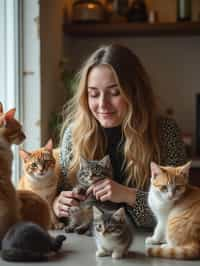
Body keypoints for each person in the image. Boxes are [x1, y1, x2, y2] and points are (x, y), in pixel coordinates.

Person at [52, 44, 186, 229]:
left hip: (149, 249)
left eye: (115, 93)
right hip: (90, 248)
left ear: (135, 93)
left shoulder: (164, 133)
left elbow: (180, 213)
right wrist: (58, 205)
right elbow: (66, 203)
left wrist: (128, 195)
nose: (102, 104)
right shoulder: (74, 135)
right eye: (93, 94)